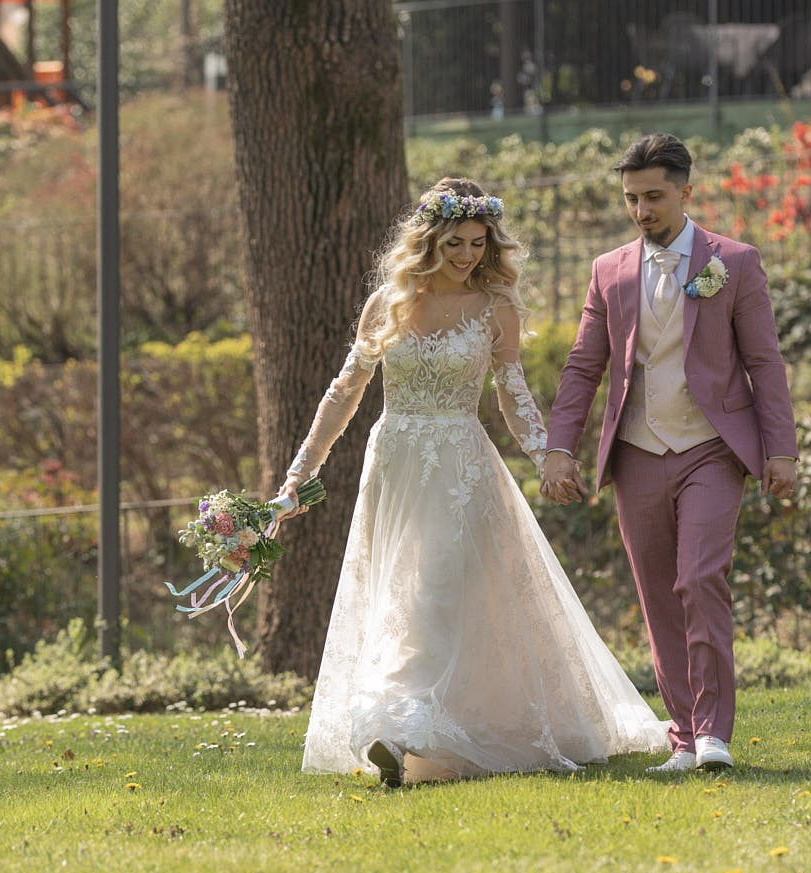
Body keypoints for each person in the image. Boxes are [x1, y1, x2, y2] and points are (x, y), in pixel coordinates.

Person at [276, 179, 669, 786]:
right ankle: (404, 731)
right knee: (401, 596)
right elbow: (344, 392)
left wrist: (546, 457)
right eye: (456, 242)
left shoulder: (495, 310)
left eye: (478, 244)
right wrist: (300, 474)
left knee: (435, 589)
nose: (467, 256)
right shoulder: (388, 304)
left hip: (460, 468)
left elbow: (514, 398)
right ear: (429, 240)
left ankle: (398, 730)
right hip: (396, 465)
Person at [542, 134, 798, 774]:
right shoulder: (609, 271)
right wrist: (558, 448)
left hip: (711, 447)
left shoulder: (734, 263)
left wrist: (781, 451)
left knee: (699, 577)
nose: (641, 210)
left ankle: (714, 733)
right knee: (658, 594)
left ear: (687, 190)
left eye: (653, 196)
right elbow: (583, 367)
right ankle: (683, 738)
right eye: (631, 198)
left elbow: (764, 363)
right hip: (635, 453)